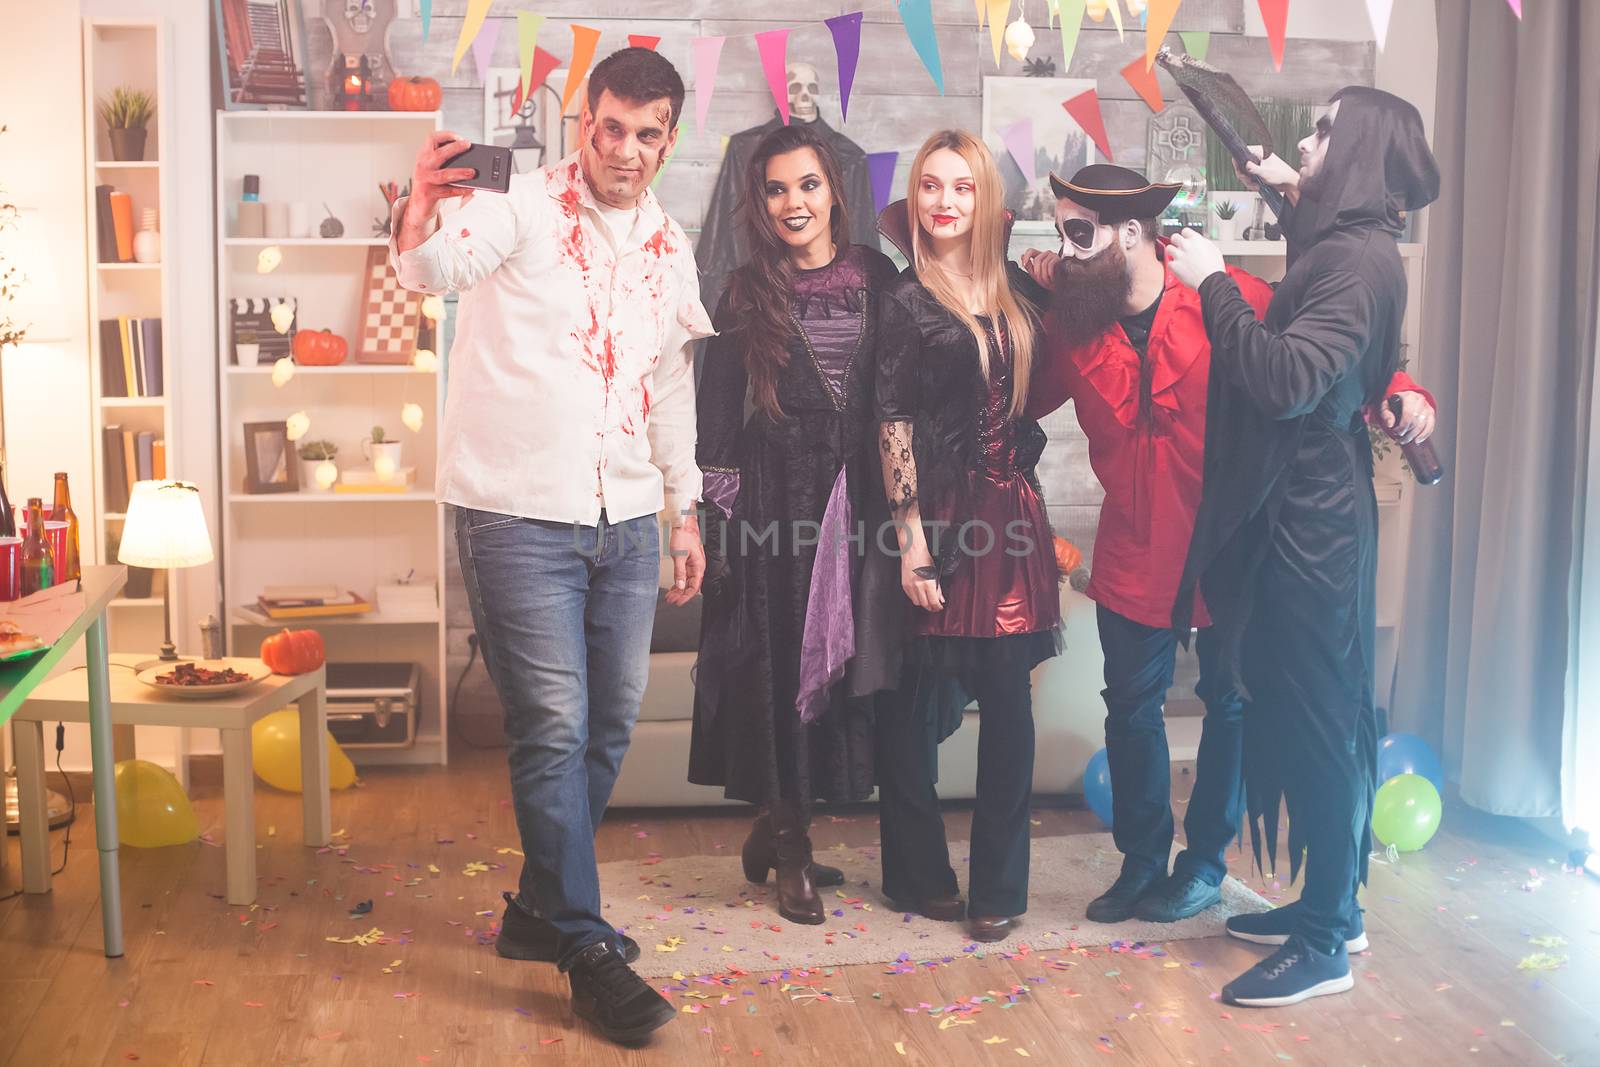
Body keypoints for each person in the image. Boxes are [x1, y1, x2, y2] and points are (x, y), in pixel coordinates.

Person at [389, 47, 708, 1045]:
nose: (623, 148)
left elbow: (667, 389)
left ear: (665, 139)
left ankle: (537, 907)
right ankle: (583, 946)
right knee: (555, 724)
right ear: (584, 121)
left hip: (622, 519)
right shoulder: (518, 205)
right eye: (607, 127)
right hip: (514, 509)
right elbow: (438, 268)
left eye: (645, 134)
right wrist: (416, 213)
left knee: (608, 719)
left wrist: (683, 507)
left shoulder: (668, 245)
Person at [1019, 165, 1435, 927]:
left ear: (1135, 235)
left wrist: (1405, 393)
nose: (1067, 248)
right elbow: (1012, 388)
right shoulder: (1071, 324)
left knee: (1230, 704)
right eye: (1061, 231)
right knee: (1132, 709)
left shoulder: (1229, 295)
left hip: (1232, 546)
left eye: (1081, 232)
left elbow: (1325, 359)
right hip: (1136, 548)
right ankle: (1141, 859)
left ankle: (1205, 863)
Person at [1165, 87, 1441, 1007]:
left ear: (1357, 145)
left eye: (1323, 130)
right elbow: (1317, 250)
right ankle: (1336, 906)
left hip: (1315, 524)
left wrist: (1210, 278)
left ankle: (1325, 939)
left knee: (1326, 726)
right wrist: (1283, 186)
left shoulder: (1357, 267)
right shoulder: (1344, 241)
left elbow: (1282, 378)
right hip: (1306, 507)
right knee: (1317, 711)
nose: (1307, 140)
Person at [688, 123, 901, 924]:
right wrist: (723, 528)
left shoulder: (880, 277)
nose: (793, 203)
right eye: (776, 189)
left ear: (835, 190)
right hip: (776, 504)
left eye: (807, 185)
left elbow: (905, 386)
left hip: (860, 499)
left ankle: (778, 825)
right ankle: (791, 849)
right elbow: (714, 419)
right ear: (759, 200)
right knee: (780, 667)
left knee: (842, 673)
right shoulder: (743, 292)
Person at [872, 130, 1062, 945]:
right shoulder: (907, 301)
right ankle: (916, 872)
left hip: (1013, 518)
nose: (944, 201)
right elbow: (893, 422)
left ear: (986, 202)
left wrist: (1060, 284)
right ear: (914, 200)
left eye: (961, 187)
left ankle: (998, 889)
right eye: (929, 186)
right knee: (912, 710)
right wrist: (911, 540)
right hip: (939, 521)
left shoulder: (1021, 290)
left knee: (1010, 712)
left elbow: (1052, 382)